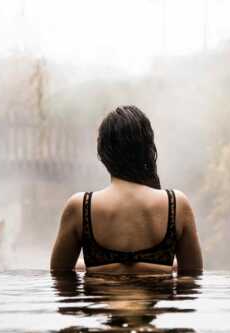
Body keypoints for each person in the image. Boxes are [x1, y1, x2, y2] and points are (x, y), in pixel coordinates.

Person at [50, 105, 203, 275]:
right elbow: (192, 277)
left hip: (99, 295)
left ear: (103, 152)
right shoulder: (176, 204)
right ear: (147, 149)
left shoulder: (80, 206)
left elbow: (59, 275)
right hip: (157, 295)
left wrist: (95, 266)